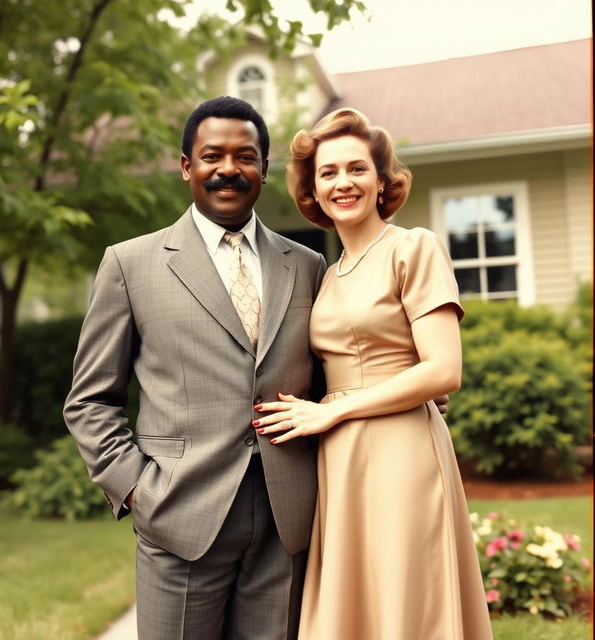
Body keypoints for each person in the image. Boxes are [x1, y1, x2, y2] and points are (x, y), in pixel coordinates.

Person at [63, 96, 327, 640]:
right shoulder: (129, 264)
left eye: (245, 156)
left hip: (286, 520)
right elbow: (90, 400)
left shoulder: (306, 265)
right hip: (178, 513)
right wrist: (137, 489)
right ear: (187, 166)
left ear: (263, 168)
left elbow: (330, 379)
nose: (228, 169)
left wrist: (403, 392)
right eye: (212, 156)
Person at [253, 108, 493, 639]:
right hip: (338, 457)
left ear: (382, 181)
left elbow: (443, 370)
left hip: (400, 450)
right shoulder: (326, 274)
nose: (344, 182)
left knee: (404, 596)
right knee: (354, 602)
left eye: (357, 168)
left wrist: (331, 411)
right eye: (328, 172)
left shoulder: (414, 247)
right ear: (312, 191)